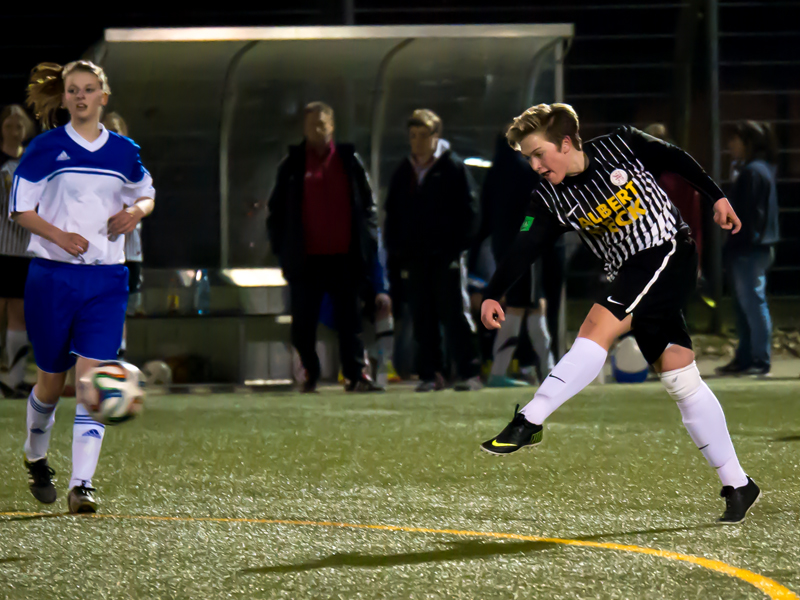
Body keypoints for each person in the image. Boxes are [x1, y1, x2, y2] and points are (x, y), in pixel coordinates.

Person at [479, 103, 759, 524]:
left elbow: (676, 159)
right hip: (630, 274)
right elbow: (524, 247)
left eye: (539, 154)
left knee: (597, 327)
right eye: (528, 158)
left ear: (567, 143)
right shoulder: (549, 197)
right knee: (681, 378)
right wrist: (493, 292)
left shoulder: (623, 144)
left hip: (667, 251)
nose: (535, 165)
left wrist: (716, 195)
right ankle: (738, 483)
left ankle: (529, 419)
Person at [11, 60, 155, 513]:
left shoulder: (123, 151)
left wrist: (136, 212)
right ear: (66, 96)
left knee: (92, 381)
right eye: (73, 90)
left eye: (89, 89)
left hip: (107, 279)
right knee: (51, 383)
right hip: (52, 278)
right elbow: (19, 209)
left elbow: (145, 192)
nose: (80, 96)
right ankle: (36, 457)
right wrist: (58, 236)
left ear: (103, 97)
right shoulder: (44, 148)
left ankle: (82, 484)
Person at [267, 101, 383, 393]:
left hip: (345, 257)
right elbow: (277, 211)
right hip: (307, 259)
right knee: (303, 323)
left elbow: (367, 205)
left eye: (322, 124)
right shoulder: (292, 165)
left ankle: (356, 375)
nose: (316, 130)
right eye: (311, 125)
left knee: (350, 322)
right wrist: (283, 251)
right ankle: (310, 374)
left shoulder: (349, 161)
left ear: (332, 126)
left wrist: (367, 243)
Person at [384, 109, 482, 392]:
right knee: (422, 316)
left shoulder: (453, 168)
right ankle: (431, 373)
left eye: (422, 135)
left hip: (447, 256)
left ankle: (469, 372)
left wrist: (457, 247)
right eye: (412, 135)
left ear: (435, 136)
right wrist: (397, 251)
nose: (416, 141)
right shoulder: (404, 173)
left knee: (454, 314)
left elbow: (470, 212)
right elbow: (393, 215)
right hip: (415, 258)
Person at [475, 131, 554, 387]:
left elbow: (486, 216)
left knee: (524, 304)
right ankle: (545, 370)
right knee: (527, 305)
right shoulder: (524, 171)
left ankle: (541, 368)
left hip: (502, 248)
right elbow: (531, 210)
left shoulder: (494, 172)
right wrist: (527, 231)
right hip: (523, 248)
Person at [715, 121, 779, 377]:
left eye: (735, 140)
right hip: (754, 246)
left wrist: (737, 241)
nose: (731, 145)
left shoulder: (752, 172)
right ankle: (745, 357)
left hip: (750, 248)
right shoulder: (759, 170)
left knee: (753, 303)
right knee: (745, 306)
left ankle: (759, 360)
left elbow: (750, 215)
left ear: (748, 142)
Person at [102, 111, 145, 355]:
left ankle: (118, 361)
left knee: (121, 308)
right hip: (100, 250)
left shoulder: (134, 167)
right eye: (107, 130)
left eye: (117, 131)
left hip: (128, 251)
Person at [0, 104, 36, 398]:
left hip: (24, 250)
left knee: (19, 314)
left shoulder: (32, 161)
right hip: (1, 245)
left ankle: (13, 380)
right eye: (10, 125)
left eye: (19, 125)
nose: (15, 131)